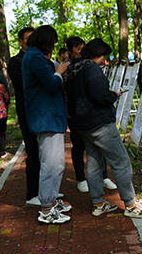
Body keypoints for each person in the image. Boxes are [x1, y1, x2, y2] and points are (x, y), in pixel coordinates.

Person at [65, 38, 142, 218]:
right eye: (103, 56)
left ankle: (98, 203)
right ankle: (130, 205)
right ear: (95, 54)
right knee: (121, 162)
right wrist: (112, 95)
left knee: (94, 162)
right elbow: (100, 95)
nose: (103, 60)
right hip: (99, 123)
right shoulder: (91, 68)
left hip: (82, 124)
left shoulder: (73, 68)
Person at [22, 25, 72, 225]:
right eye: (52, 42)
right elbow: (51, 84)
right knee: (53, 164)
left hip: (48, 117)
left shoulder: (34, 56)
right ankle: (47, 209)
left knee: (53, 163)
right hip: (46, 117)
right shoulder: (35, 58)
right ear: (45, 40)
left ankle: (50, 201)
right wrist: (59, 72)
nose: (53, 46)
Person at [64, 36, 117, 193]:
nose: (80, 50)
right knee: (79, 147)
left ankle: (104, 178)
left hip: (90, 116)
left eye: (82, 47)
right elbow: (98, 94)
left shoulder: (87, 66)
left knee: (96, 152)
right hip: (76, 115)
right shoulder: (67, 67)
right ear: (70, 49)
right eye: (77, 48)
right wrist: (110, 96)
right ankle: (81, 178)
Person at [8, 26, 42, 208]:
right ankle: (32, 194)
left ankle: (45, 189)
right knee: (33, 153)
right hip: (27, 112)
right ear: (20, 41)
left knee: (45, 153)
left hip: (42, 111)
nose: (32, 41)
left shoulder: (40, 57)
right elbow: (26, 84)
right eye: (28, 39)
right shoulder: (15, 62)